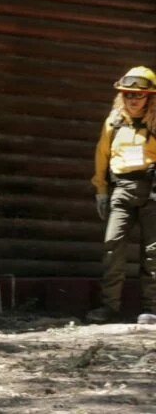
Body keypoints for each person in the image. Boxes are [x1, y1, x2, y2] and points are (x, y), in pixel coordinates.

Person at [87, 66, 156, 325]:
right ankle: (109, 308)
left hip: (153, 191)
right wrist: (101, 192)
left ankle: (151, 309)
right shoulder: (114, 122)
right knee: (112, 246)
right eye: (127, 95)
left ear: (150, 97)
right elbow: (101, 156)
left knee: (153, 251)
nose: (132, 100)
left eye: (138, 95)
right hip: (121, 190)